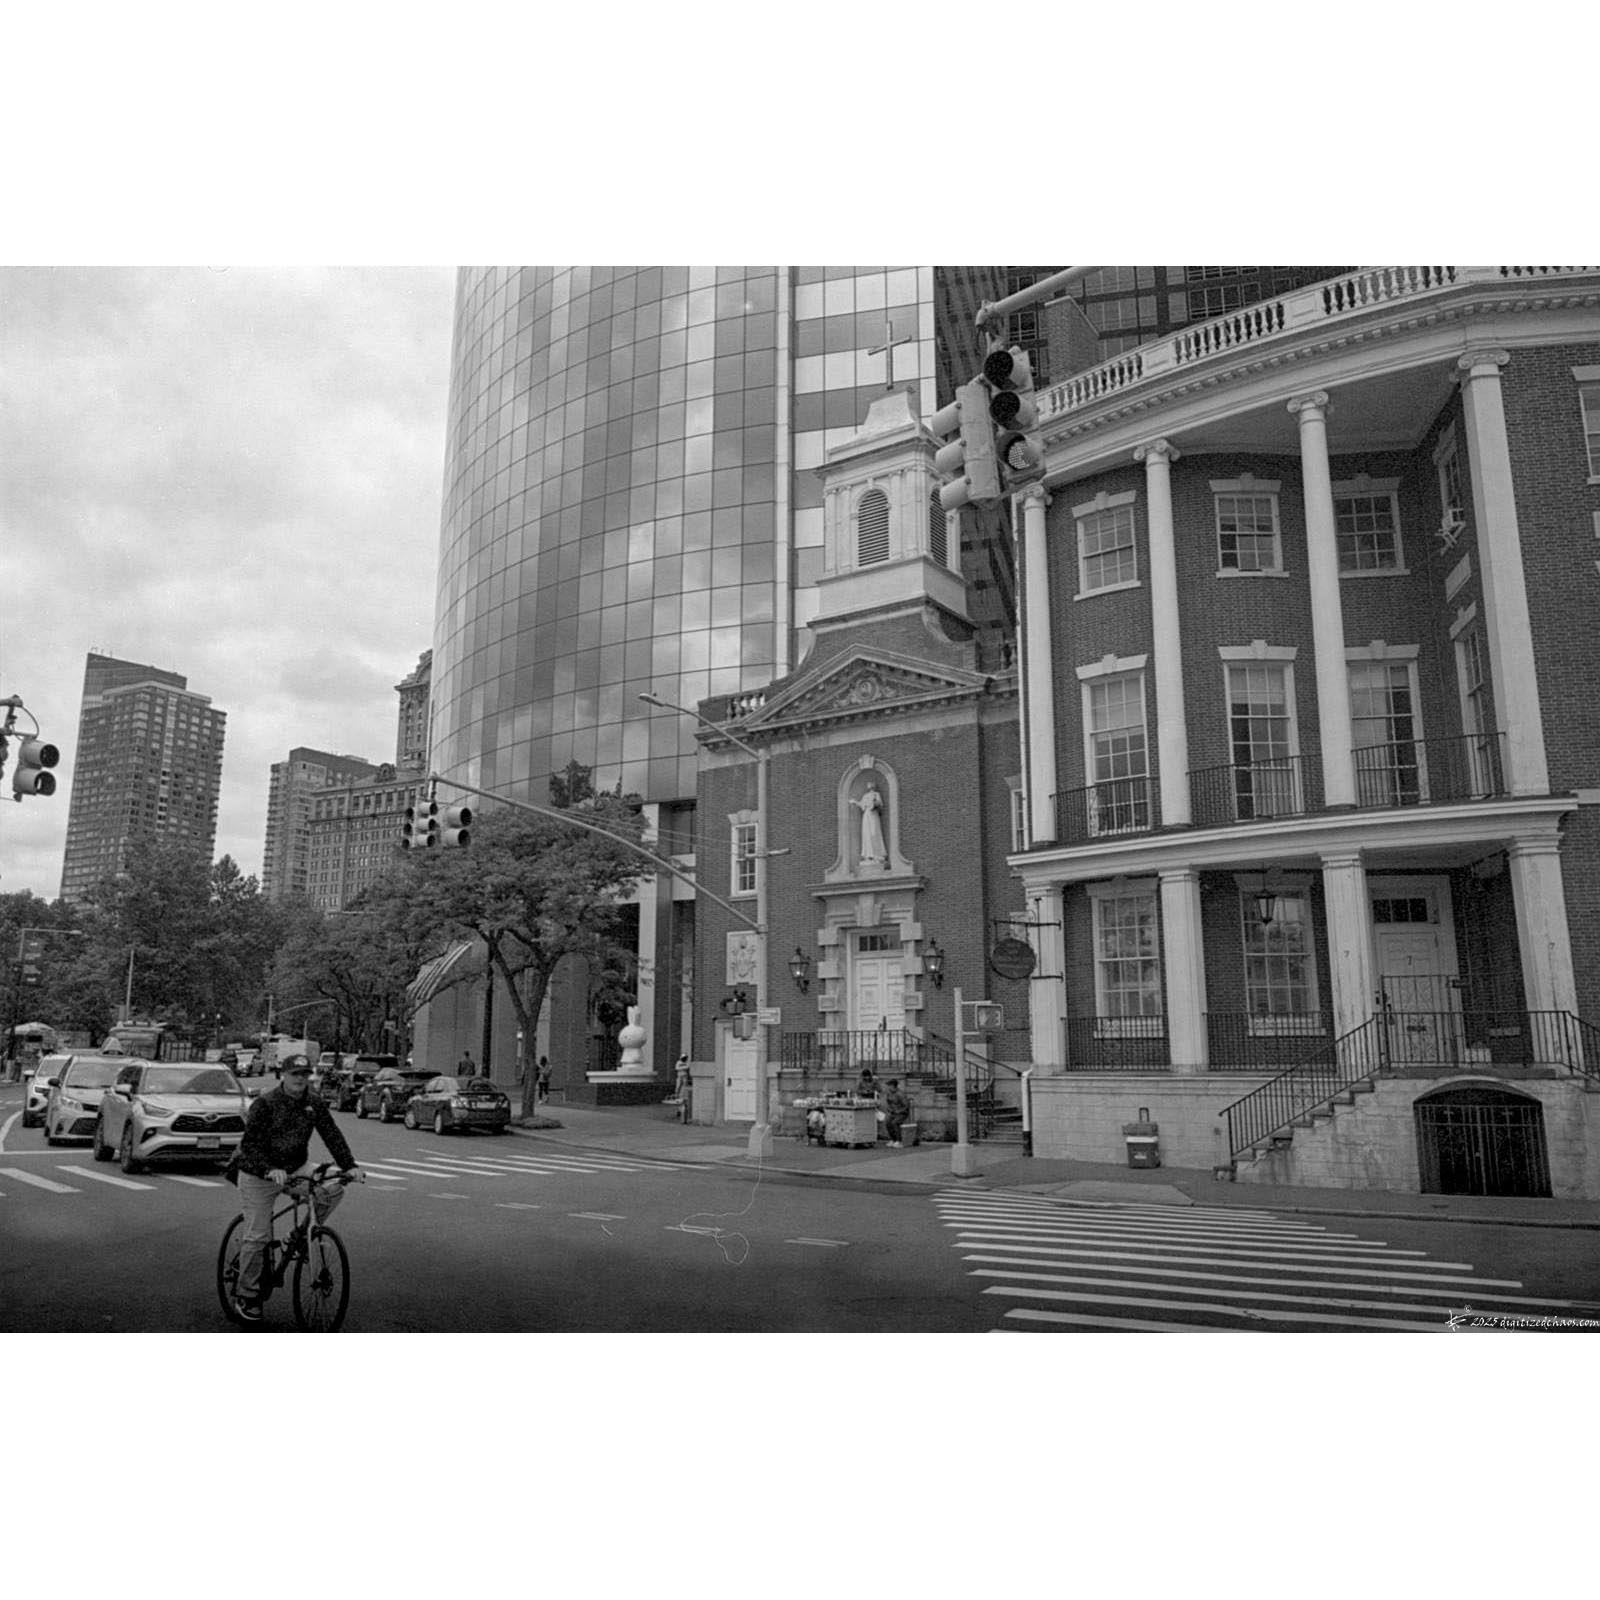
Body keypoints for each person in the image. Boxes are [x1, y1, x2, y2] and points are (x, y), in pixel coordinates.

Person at [224, 1054, 362, 1323]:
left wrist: (349, 1166)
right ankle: (247, 1295)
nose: (300, 1079)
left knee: (332, 1188)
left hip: (295, 1167)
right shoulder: (265, 1103)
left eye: (304, 1074)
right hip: (258, 1172)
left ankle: (296, 1237)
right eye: (294, 1074)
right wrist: (268, 1169)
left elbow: (331, 1134)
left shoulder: (314, 1102)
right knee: (258, 1236)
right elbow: (250, 1146)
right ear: (283, 1076)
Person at [883, 1078, 912, 1148]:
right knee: (887, 1122)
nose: (888, 1087)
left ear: (893, 1086)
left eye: (889, 1085)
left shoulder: (900, 1094)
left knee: (895, 1123)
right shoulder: (889, 1093)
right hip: (893, 1112)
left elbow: (906, 1106)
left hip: (902, 1113)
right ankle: (893, 1139)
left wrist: (899, 1111)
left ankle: (899, 1141)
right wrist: (889, 1109)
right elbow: (888, 1103)